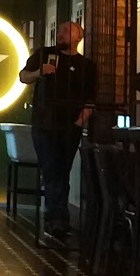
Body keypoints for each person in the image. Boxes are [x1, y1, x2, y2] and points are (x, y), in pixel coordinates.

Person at [19, 21, 96, 243]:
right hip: (44, 124)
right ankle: (57, 221)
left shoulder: (87, 66)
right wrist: (40, 71)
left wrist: (79, 123)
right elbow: (23, 77)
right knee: (52, 169)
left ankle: (58, 220)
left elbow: (91, 99)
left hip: (70, 127)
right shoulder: (44, 54)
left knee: (62, 171)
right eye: (60, 30)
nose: (60, 34)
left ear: (79, 37)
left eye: (66, 30)